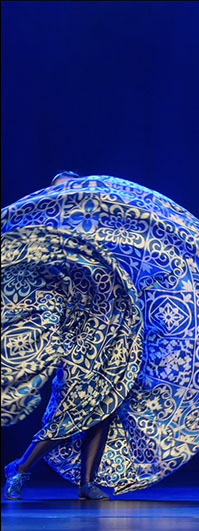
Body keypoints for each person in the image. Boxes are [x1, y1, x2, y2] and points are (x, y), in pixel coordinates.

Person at [3, 171, 133, 501]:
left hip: (110, 330)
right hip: (73, 334)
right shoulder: (45, 239)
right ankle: (19, 468)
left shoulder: (98, 233)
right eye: (61, 192)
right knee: (70, 408)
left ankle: (87, 483)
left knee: (106, 405)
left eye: (73, 191)